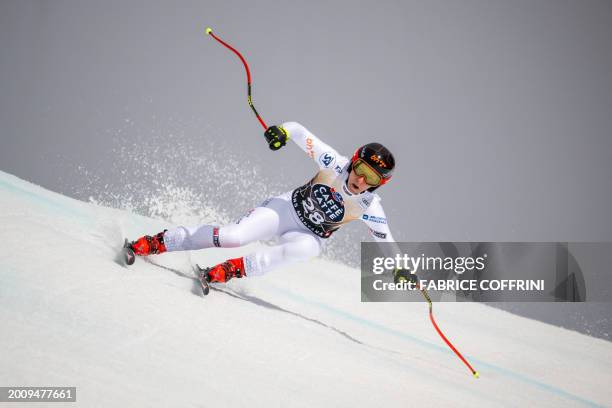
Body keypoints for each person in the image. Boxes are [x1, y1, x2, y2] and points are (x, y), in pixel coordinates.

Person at [128, 122, 411, 284]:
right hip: (284, 211)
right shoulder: (334, 163)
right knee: (231, 236)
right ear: (353, 161)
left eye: (370, 178)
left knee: (307, 250)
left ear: (378, 184)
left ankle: (230, 270)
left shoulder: (370, 208)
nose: (360, 180)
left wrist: (400, 269)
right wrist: (281, 132)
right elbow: (298, 131)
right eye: (360, 169)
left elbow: (386, 242)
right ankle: (158, 242)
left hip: (309, 234)